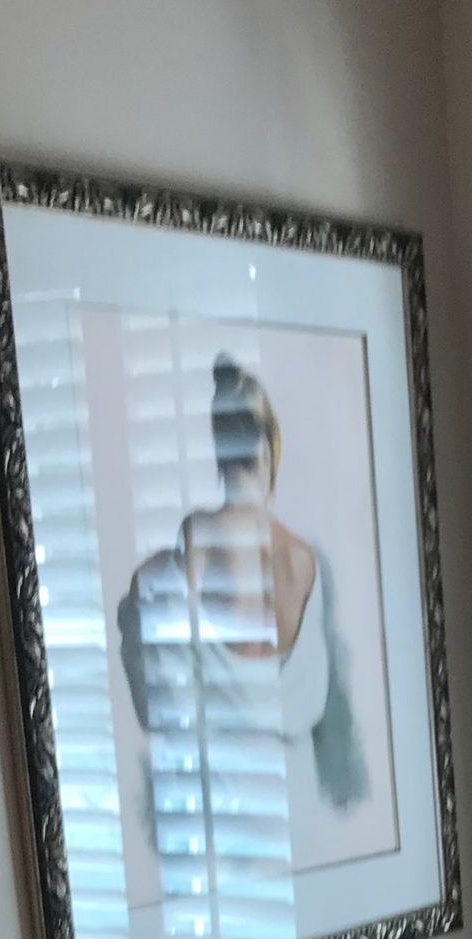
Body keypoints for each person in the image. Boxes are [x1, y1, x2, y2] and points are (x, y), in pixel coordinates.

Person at [115, 353, 369, 862]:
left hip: (228, 837)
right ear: (271, 447)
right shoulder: (308, 563)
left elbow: (157, 704)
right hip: (307, 831)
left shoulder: (184, 554)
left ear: (218, 447)